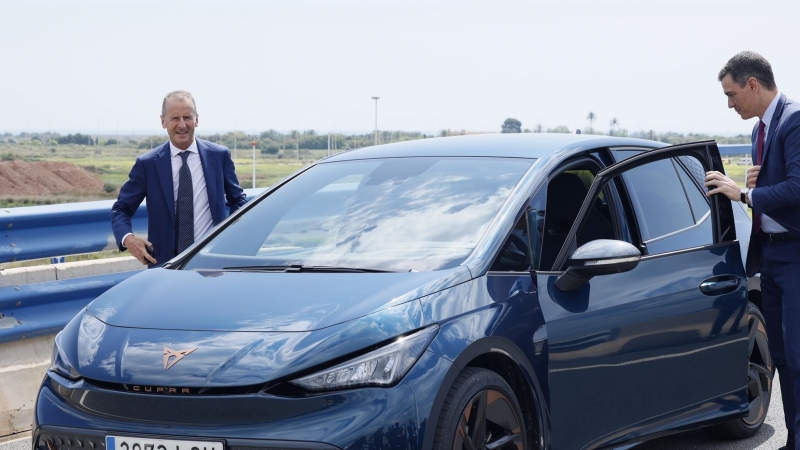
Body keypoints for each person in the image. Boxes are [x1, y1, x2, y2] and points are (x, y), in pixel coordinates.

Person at [705, 51, 800, 450]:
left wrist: (742, 191)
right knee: (780, 354)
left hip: (795, 254)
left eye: (731, 94)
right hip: (771, 255)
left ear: (753, 84)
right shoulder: (759, 131)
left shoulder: (794, 120)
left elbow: (798, 188)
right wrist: (755, 191)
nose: (730, 104)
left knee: (797, 355)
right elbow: (771, 194)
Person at [111, 90, 247, 267]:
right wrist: (128, 239)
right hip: (165, 267)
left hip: (213, 265)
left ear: (197, 119)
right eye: (175, 118)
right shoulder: (148, 164)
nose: (182, 125)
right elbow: (121, 209)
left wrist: (229, 237)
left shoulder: (219, 156)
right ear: (163, 121)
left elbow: (239, 201)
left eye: (187, 117)